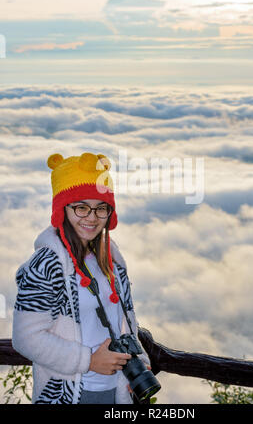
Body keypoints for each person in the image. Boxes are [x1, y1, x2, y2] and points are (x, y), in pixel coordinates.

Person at [12, 152, 151, 404]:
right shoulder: (46, 265)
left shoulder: (112, 259)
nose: (92, 217)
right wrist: (88, 361)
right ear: (62, 209)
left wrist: (140, 363)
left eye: (101, 208)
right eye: (81, 207)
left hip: (117, 390)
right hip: (72, 393)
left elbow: (125, 319)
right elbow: (26, 338)